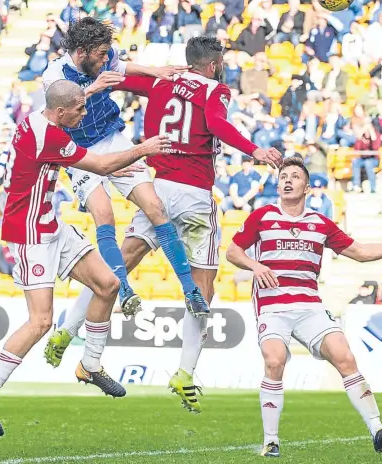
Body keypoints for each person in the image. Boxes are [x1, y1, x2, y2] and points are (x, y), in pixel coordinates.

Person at [44, 36, 282, 415]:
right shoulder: (215, 89)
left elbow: (117, 78)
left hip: (159, 186)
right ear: (214, 65)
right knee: (203, 290)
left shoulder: (161, 81)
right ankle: (185, 373)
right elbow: (217, 124)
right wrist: (255, 150)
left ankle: (66, 330)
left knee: (116, 266)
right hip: (194, 195)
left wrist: (127, 70)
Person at [0, 80, 171, 437]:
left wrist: (114, 160)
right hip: (29, 234)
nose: (84, 115)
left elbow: (95, 161)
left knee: (109, 283)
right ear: (61, 111)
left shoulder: (40, 121)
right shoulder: (49, 138)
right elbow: (98, 164)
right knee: (40, 322)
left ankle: (90, 365)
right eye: (79, 110)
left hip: (50, 224)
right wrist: (142, 149)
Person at [226, 156, 382, 457]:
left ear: (307, 187)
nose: (287, 180)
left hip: (309, 305)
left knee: (345, 356)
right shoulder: (262, 216)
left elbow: (359, 252)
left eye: (295, 176)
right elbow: (232, 252)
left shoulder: (320, 223)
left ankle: (377, 430)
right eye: (284, 175)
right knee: (274, 360)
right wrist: (255, 266)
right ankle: (271, 441)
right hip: (273, 306)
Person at [41, 17, 205, 319]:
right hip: (78, 151)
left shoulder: (103, 59)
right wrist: (91, 89)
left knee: (156, 207)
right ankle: (124, 288)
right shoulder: (54, 76)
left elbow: (122, 65)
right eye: (101, 54)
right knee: (104, 214)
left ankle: (190, 290)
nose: (107, 59)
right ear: (82, 51)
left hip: (111, 136)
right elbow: (53, 116)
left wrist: (155, 71)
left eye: (107, 53)